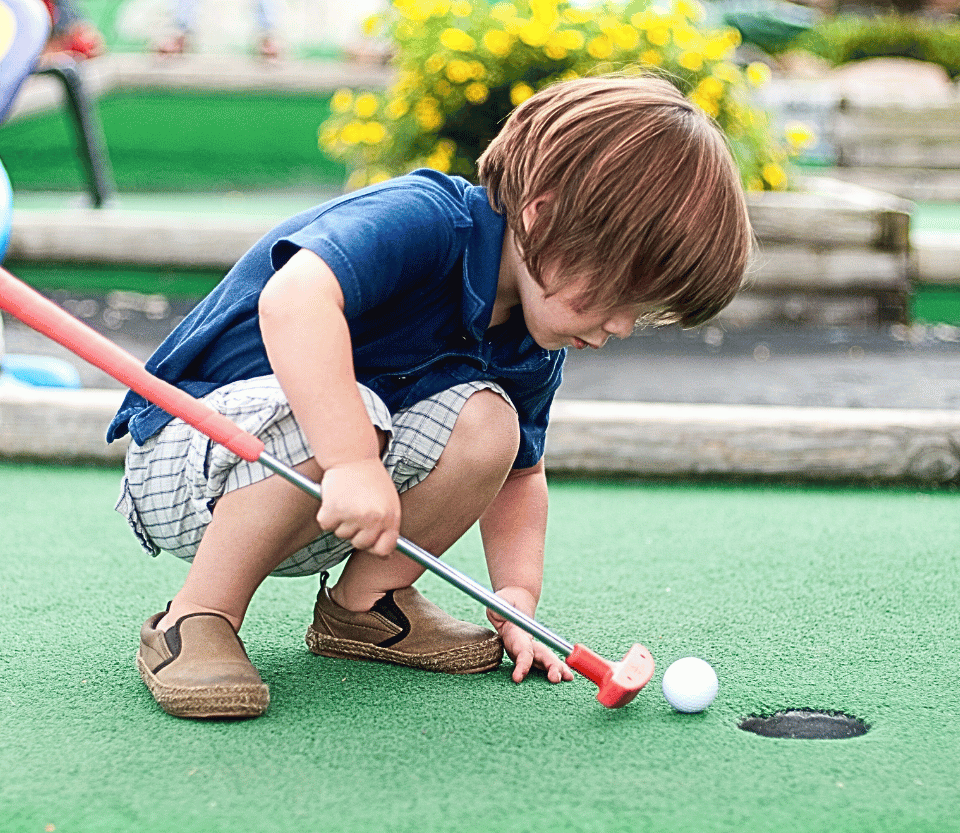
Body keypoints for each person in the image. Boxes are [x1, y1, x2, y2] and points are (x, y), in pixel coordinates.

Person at [108, 74, 753, 720]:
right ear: (543, 216)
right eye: (616, 294)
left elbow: (520, 478)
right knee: (352, 413)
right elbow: (293, 301)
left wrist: (517, 600)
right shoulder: (425, 219)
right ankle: (196, 617)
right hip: (186, 456)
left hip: (324, 493)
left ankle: (366, 608)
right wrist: (353, 462)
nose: (618, 326)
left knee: (490, 425)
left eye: (639, 313)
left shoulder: (532, 344)